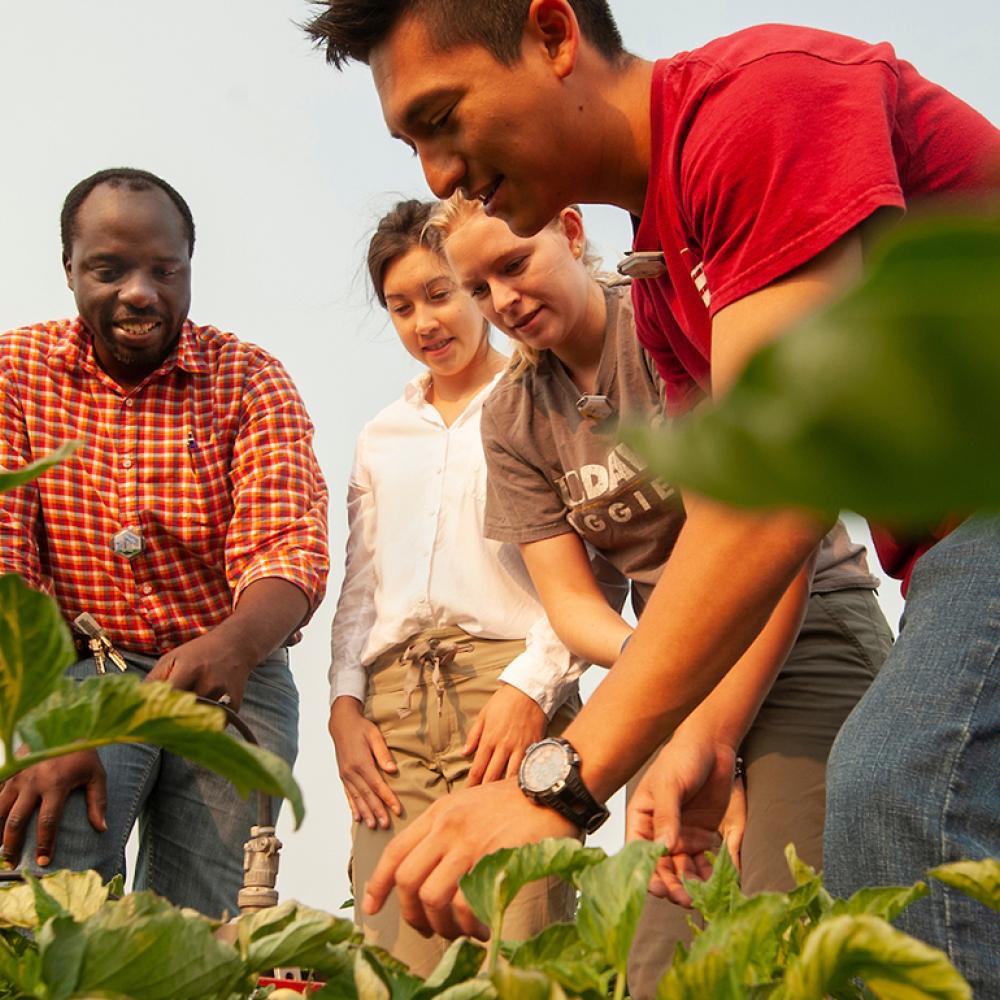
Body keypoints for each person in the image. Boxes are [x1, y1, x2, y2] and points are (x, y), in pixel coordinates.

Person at [304, 1, 1000, 988]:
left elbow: (773, 499)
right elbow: (725, 516)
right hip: (943, 557)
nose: (439, 172)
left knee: (901, 791)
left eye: (441, 117)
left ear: (552, 35)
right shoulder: (673, 284)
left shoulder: (760, 100)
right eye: (413, 141)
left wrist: (563, 779)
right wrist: (705, 737)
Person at [427, 194, 891, 994]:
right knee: (666, 941)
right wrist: (674, 666)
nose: (502, 301)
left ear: (571, 231)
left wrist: (714, 724)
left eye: (513, 264)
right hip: (669, 664)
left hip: (805, 620)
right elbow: (572, 605)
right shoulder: (511, 417)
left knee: (792, 908)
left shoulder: (668, 323)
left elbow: (766, 538)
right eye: (478, 289)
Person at [0, 168, 329, 918]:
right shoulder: (13, 374)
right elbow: (5, 568)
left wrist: (238, 643)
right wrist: (50, 726)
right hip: (79, 665)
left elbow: (288, 542)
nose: (139, 292)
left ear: (189, 265)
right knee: (56, 876)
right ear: (70, 271)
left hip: (233, 665)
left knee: (201, 917)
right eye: (109, 270)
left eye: (163, 269)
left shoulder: (249, 377)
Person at [328, 198, 581, 975]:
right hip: (394, 712)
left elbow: (586, 572)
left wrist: (531, 687)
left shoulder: (543, 400)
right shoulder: (381, 435)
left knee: (520, 949)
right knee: (390, 954)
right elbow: (361, 585)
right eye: (400, 307)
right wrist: (344, 705)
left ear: (475, 291)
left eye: (440, 294)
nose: (424, 322)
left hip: (505, 701)